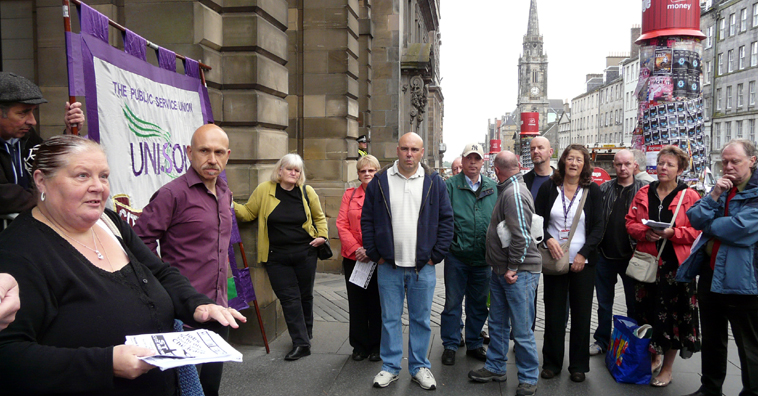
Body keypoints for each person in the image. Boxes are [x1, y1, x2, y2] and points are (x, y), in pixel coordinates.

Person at [0, 135, 245, 395]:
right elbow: (9, 355)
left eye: (103, 176)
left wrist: (196, 305)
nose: (98, 187)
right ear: (41, 181)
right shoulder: (19, 251)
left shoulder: (109, 222)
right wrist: (107, 364)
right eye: (82, 176)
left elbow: (161, 273)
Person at [134, 124, 233, 396]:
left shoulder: (225, 193)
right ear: (189, 152)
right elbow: (139, 241)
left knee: (210, 388)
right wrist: (162, 286)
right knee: (186, 390)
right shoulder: (172, 194)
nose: (212, 159)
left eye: (218, 152)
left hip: (219, 312)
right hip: (184, 316)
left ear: (227, 155)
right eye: (204, 151)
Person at [362, 132, 453, 390]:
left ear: (422, 152)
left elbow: (447, 220)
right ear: (397, 150)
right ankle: (390, 366)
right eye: (404, 149)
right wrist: (374, 253)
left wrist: (436, 256)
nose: (409, 154)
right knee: (389, 318)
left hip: (422, 266)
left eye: (414, 149)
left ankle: (419, 366)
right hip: (388, 265)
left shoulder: (435, 181)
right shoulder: (380, 181)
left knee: (421, 319)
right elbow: (367, 220)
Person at [678, 139, 758, 396]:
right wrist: (714, 195)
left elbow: (741, 229)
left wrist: (710, 225)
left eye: (735, 161)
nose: (728, 166)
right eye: (725, 161)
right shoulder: (721, 187)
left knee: (749, 344)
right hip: (711, 274)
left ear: (752, 161)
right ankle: (710, 387)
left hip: (743, 278)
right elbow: (695, 216)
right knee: (713, 337)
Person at [234, 153, 328, 361]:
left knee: (305, 295)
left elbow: (319, 217)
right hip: (276, 256)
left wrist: (322, 236)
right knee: (289, 298)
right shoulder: (265, 190)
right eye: (290, 169)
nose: (294, 173)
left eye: (297, 170)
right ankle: (301, 343)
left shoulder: (306, 192)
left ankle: (306, 331)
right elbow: (248, 213)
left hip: (305, 253)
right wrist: (228, 203)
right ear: (280, 170)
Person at [625, 145, 701, 387]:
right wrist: (645, 233)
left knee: (673, 318)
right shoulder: (644, 192)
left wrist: (673, 233)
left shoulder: (689, 196)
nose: (663, 168)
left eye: (669, 164)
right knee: (646, 313)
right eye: (660, 163)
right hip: (648, 263)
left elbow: (697, 231)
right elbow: (630, 223)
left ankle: (667, 368)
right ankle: (653, 356)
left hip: (676, 267)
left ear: (680, 169)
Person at [468, 150, 541, 396]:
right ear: (517, 166)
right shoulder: (510, 190)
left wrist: (512, 267)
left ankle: (529, 377)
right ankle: (496, 366)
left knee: (521, 329)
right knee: (497, 322)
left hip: (516, 273)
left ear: (497, 171)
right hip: (503, 271)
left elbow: (520, 235)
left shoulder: (514, 193)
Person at [535, 144, 603, 383]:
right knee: (553, 314)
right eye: (570, 159)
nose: (574, 163)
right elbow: (537, 222)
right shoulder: (548, 188)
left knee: (582, 315)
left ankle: (578, 365)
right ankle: (552, 363)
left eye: (579, 160)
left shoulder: (593, 191)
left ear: (585, 165)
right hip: (555, 260)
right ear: (563, 161)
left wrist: (584, 254)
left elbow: (598, 227)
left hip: (584, 263)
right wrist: (548, 238)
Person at [440, 143, 496, 366]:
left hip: (483, 259)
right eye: (468, 158)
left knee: (479, 304)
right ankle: (451, 344)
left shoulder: (493, 187)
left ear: (482, 162)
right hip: (457, 257)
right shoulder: (450, 186)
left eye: (477, 159)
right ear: (462, 161)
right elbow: (442, 219)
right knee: (453, 303)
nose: (472, 162)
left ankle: (473, 343)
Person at [1, 72, 85, 217]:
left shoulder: (25, 136)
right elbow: (6, 197)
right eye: (23, 113)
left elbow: (51, 160)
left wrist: (70, 134)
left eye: (33, 112)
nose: (32, 121)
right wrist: (49, 193)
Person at [590, 149, 645, 356]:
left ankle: (632, 343)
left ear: (634, 165)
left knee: (633, 304)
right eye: (619, 164)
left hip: (632, 256)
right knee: (604, 303)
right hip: (604, 255)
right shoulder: (604, 189)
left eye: (627, 164)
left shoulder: (644, 190)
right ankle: (602, 341)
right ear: (614, 165)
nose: (622, 168)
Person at [336, 154, 382, 362]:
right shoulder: (350, 195)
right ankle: (359, 346)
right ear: (358, 174)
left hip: (377, 258)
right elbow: (341, 225)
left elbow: (386, 227)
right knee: (357, 303)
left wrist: (371, 250)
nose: (367, 174)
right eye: (363, 171)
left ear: (377, 172)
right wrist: (357, 249)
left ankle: (376, 346)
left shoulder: (384, 195)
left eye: (371, 170)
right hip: (354, 258)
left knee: (377, 303)